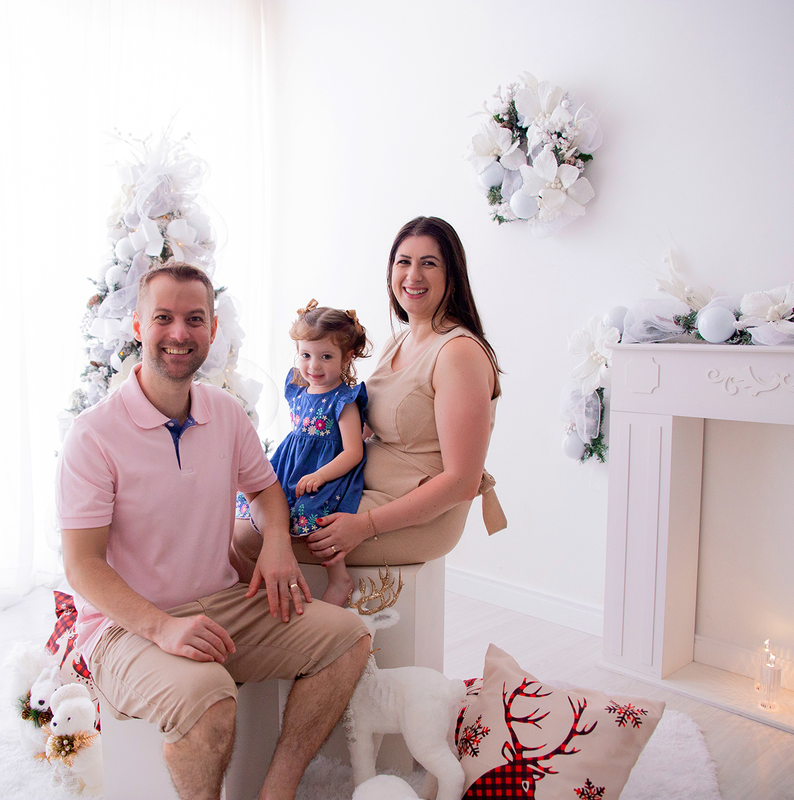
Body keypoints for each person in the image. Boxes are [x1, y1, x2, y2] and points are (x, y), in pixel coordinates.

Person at [57, 263, 370, 800]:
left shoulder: (225, 413)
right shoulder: (93, 436)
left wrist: (275, 544)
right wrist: (161, 628)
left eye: (194, 319)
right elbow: (81, 564)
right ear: (137, 325)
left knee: (349, 638)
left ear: (212, 330)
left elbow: (268, 491)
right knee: (210, 699)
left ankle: (278, 790)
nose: (180, 333)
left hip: (219, 601)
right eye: (164, 318)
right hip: (126, 627)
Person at [295, 216, 507, 567]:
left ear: (451, 276)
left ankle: (326, 624)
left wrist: (364, 525)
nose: (413, 275)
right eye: (403, 262)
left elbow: (463, 482)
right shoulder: (398, 341)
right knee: (255, 513)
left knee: (254, 538)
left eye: (429, 263)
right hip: (361, 490)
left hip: (411, 516)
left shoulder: (458, 353)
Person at [234, 300, 372, 607]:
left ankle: (339, 579)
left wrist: (320, 475)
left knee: (311, 514)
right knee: (261, 502)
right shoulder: (298, 388)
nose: (314, 366)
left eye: (326, 356)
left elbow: (353, 451)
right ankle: (255, 572)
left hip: (326, 470)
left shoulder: (344, 400)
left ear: (347, 357)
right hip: (292, 464)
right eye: (306, 355)